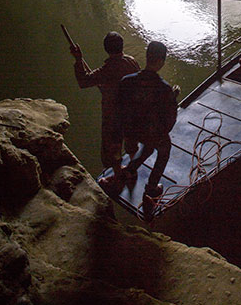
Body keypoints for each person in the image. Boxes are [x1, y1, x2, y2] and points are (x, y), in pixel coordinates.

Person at [70, 31, 140, 184]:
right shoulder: (131, 62)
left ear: (106, 49)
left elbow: (84, 81)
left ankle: (118, 175)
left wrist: (78, 59)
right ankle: (132, 169)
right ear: (122, 46)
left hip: (114, 116)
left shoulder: (107, 70)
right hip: (131, 113)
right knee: (131, 142)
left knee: (112, 147)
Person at [118, 41, 179, 198]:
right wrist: (173, 97)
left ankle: (130, 169)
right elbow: (170, 118)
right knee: (164, 149)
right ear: (161, 62)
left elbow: (121, 107)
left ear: (147, 57)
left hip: (132, 131)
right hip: (151, 132)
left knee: (148, 146)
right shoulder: (164, 88)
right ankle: (152, 187)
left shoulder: (126, 81)